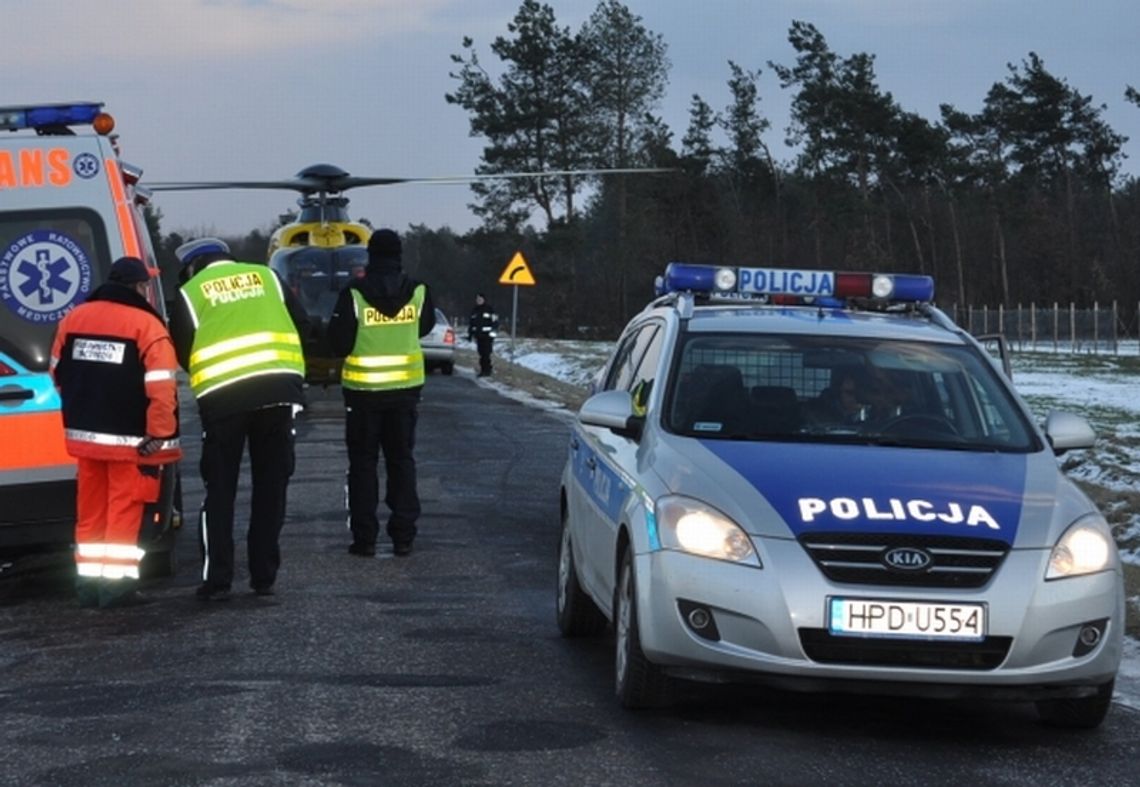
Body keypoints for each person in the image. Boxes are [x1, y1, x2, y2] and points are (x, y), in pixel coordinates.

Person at [169, 238, 309, 600]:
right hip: (279, 393)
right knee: (271, 486)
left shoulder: (190, 292)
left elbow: (182, 350)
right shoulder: (268, 277)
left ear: (192, 267)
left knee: (220, 491)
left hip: (223, 400)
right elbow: (303, 324)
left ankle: (218, 579)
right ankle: (263, 576)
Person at [50, 256, 182, 609]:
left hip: (85, 438)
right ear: (139, 287)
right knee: (124, 511)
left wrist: (85, 411)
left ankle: (89, 585)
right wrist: (159, 435)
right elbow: (161, 388)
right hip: (131, 442)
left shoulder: (74, 317)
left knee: (91, 512)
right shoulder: (147, 326)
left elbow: (58, 373)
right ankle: (117, 588)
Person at [327, 228, 435, 558]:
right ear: (399, 254)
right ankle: (403, 536)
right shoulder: (418, 291)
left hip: (363, 394)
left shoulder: (354, 293)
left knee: (363, 465)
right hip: (405, 393)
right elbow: (426, 326)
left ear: (370, 255)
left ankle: (366, 539)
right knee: (402, 461)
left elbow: (338, 342)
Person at [468, 292, 499, 377]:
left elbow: (495, 322)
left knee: (486, 354)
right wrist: (470, 335)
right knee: (481, 354)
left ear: (484, 300)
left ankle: (487, 370)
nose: (478, 301)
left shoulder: (489, 309)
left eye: (480, 299)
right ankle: (483, 370)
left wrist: (492, 335)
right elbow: (471, 324)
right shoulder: (475, 310)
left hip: (487, 337)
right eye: (477, 299)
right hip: (478, 337)